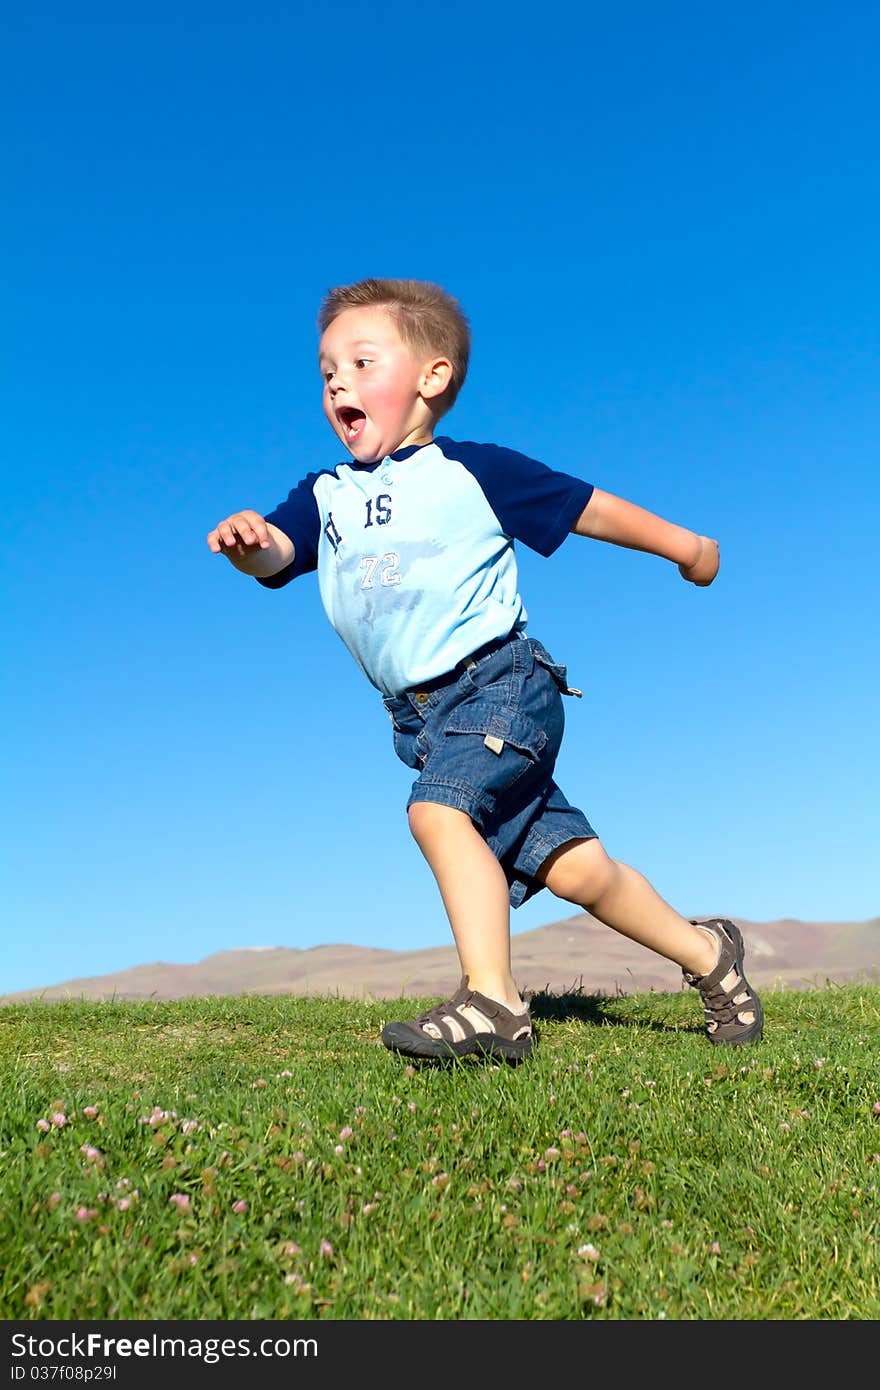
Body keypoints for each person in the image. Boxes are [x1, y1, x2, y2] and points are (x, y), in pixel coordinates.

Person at [206, 277, 763, 1062]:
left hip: (500, 685)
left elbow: (589, 507)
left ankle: (494, 1004)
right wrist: (248, 543)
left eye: (363, 363)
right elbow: (279, 552)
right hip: (422, 719)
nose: (338, 382)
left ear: (432, 378)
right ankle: (713, 956)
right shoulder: (325, 494)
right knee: (579, 872)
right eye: (328, 369)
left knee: (438, 813)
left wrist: (689, 548)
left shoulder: (473, 472)